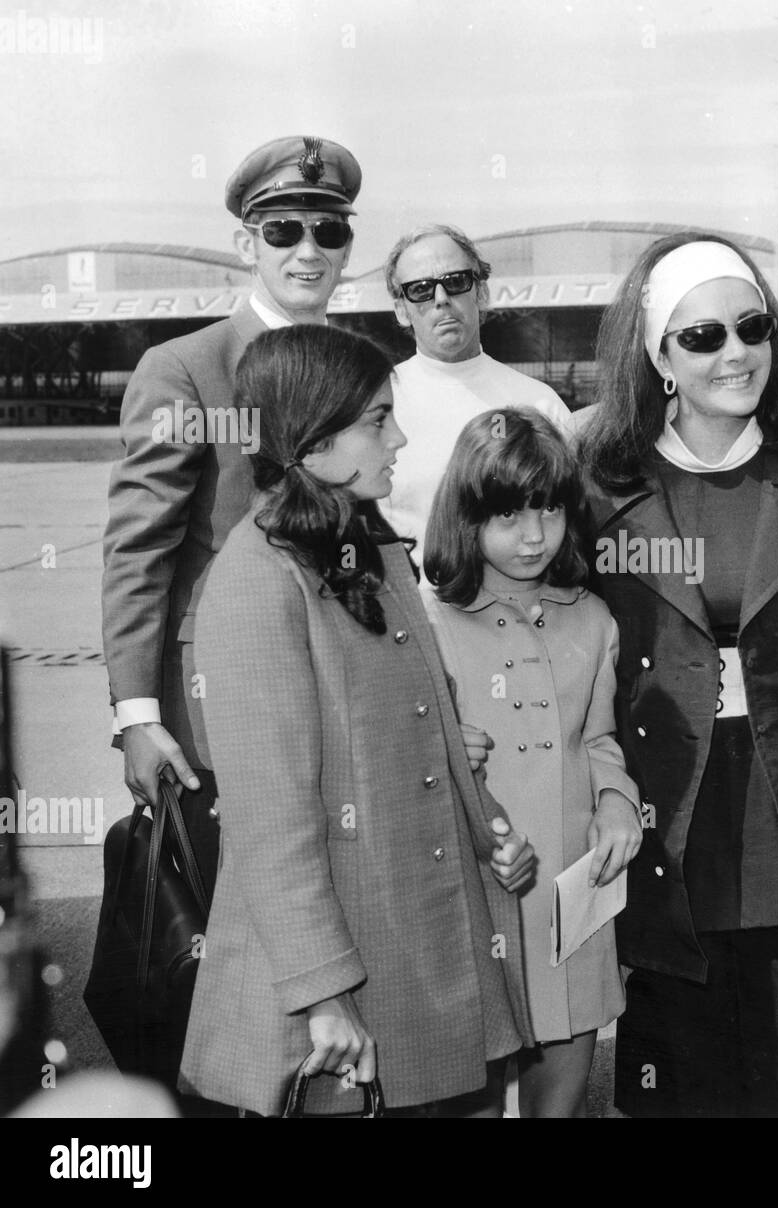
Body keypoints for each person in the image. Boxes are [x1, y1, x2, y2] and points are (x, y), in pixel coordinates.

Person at [179, 325, 537, 1117]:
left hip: (418, 930)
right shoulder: (254, 581)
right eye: (377, 420)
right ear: (312, 440)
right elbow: (268, 820)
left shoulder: (365, 547)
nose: (399, 436)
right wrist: (322, 993)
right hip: (339, 962)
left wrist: (491, 835)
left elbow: (427, 719)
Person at [580, 234, 778, 1118]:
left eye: (751, 328)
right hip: (670, 801)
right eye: (701, 337)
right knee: (680, 1068)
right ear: (659, 356)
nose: (734, 353)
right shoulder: (599, 482)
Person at [101, 135, 362, 891]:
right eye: (283, 230)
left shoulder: (358, 368)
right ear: (246, 242)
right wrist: (138, 717)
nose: (308, 250)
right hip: (220, 713)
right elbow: (138, 552)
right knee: (227, 940)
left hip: (340, 700)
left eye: (330, 230)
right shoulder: (186, 368)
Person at [423, 408, 642, 1117]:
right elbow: (411, 771)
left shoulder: (593, 618)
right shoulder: (431, 628)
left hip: (569, 896)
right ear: (466, 518)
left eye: (548, 509)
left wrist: (616, 802)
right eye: (508, 513)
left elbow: (601, 740)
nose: (532, 535)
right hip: (476, 897)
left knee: (563, 1096)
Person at [381, 224, 574, 567]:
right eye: (421, 290)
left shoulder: (540, 404)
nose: (441, 299)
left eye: (455, 282)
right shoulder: (377, 406)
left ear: (481, 293)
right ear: (400, 309)